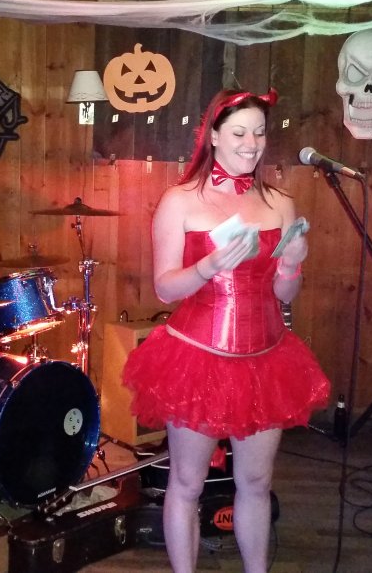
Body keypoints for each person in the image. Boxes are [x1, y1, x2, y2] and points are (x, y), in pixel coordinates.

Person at [121, 88, 330, 573]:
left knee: (256, 483)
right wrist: (209, 266)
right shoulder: (179, 200)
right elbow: (165, 288)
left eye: (259, 132)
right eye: (239, 132)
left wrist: (292, 265)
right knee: (187, 483)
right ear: (213, 135)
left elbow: (285, 295)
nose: (251, 143)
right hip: (195, 355)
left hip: (267, 358)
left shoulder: (280, 203)